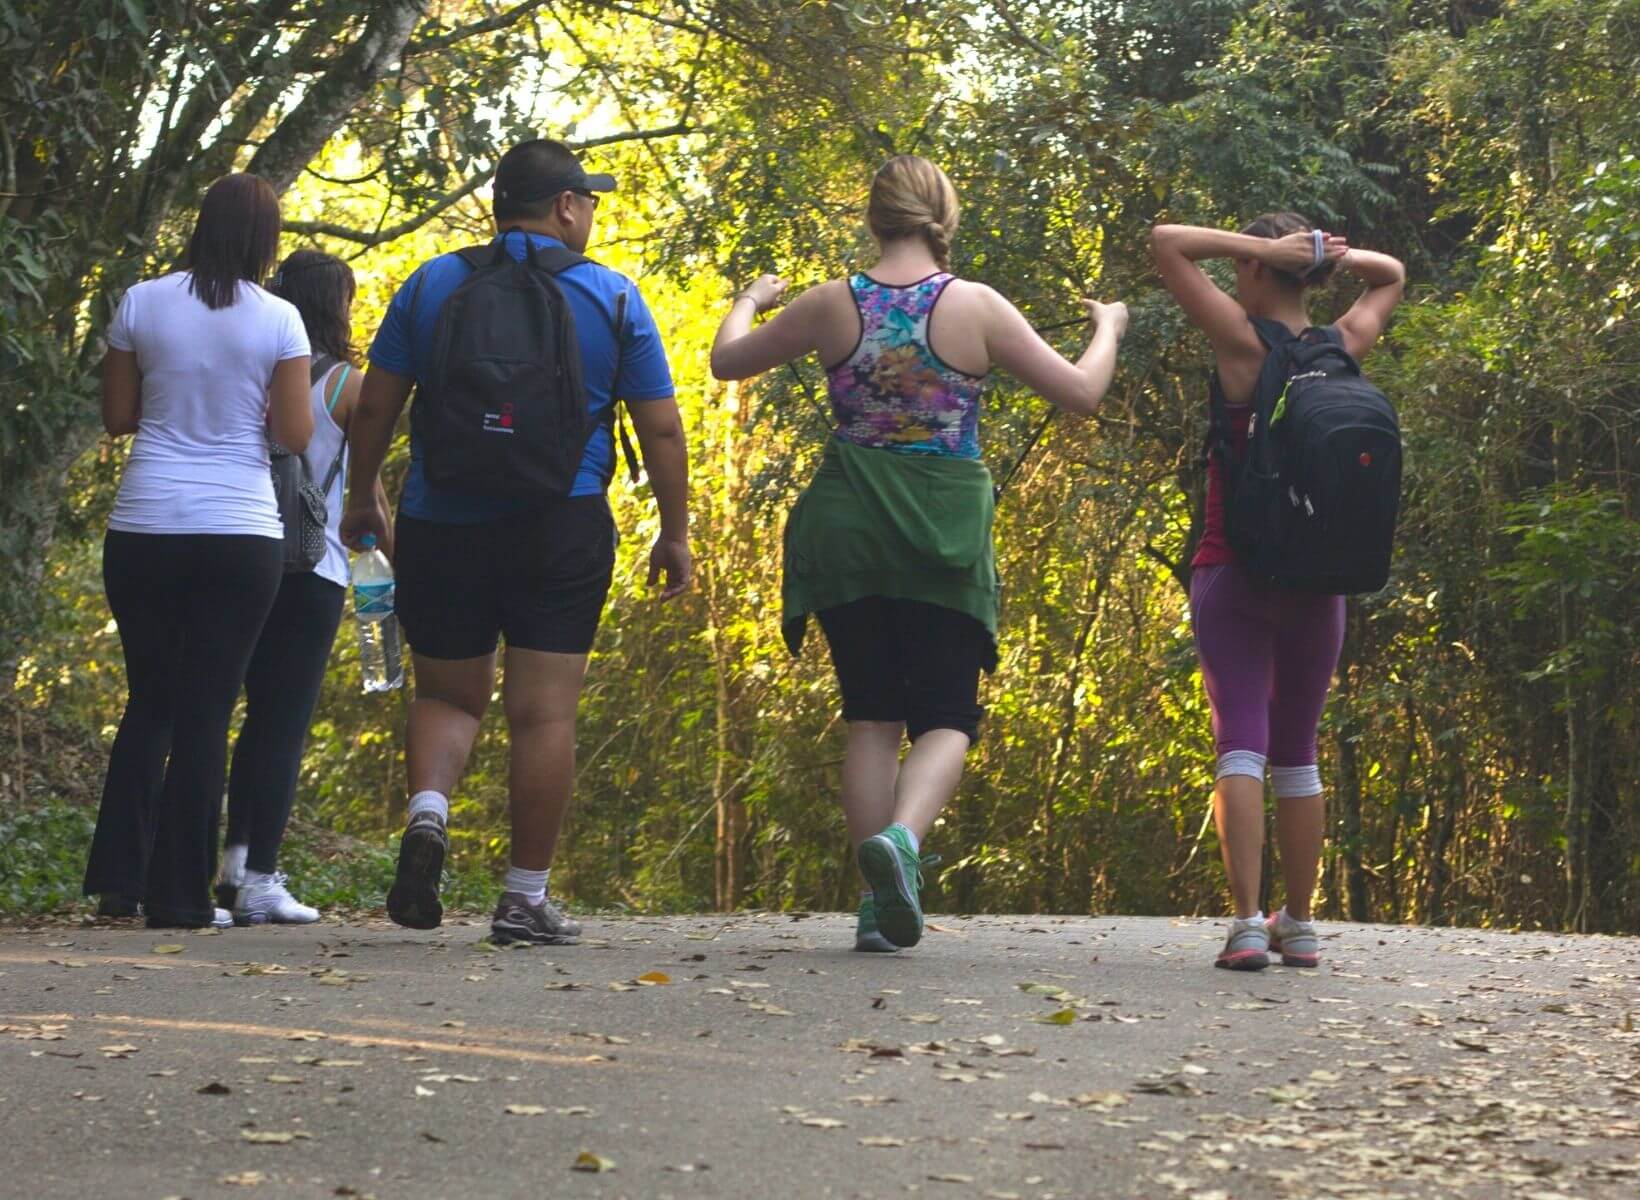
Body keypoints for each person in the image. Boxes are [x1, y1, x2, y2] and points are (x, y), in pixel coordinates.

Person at [710, 155, 1128, 953]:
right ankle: (902, 840)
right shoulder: (976, 307)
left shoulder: (830, 304)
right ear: (944, 216)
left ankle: (876, 907)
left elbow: (727, 361)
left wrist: (748, 302)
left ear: (874, 217)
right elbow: (1081, 394)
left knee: (870, 712)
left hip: (847, 528)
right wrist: (1107, 326)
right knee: (946, 712)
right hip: (943, 533)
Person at [341, 137, 691, 945]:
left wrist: (363, 498)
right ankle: (523, 899)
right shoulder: (612, 299)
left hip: (442, 519)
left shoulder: (433, 284)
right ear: (566, 206)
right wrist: (674, 533)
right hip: (559, 525)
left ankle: (429, 816)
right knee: (543, 716)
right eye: (590, 200)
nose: (594, 213)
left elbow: (374, 407)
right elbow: (663, 429)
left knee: (446, 696)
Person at [1150, 214, 1405, 970]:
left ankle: (1246, 925)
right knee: (1298, 754)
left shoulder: (1242, 344)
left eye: (1249, 265)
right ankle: (1299, 922)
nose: (1237, 276)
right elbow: (1390, 274)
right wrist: (1330, 254)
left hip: (1234, 569)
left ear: (1263, 270)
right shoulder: (1342, 345)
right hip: (1320, 580)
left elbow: (1167, 243)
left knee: (1241, 743)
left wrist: (1260, 246)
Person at [84, 173, 313, 929]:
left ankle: (119, 881)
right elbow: (292, 436)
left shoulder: (141, 302)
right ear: (265, 239)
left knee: (150, 700)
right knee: (209, 708)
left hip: (145, 524)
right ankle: (180, 899)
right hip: (238, 531)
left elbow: (118, 417)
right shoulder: (280, 319)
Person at [214, 250, 391, 924]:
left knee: (231, 718)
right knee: (281, 725)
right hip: (315, 569)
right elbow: (369, 491)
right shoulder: (349, 385)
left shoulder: (255, 366)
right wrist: (396, 573)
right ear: (335, 305)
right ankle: (262, 875)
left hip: (241, 550)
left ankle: (229, 871)